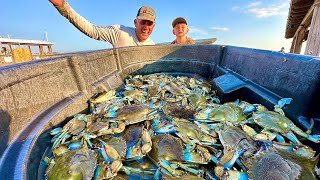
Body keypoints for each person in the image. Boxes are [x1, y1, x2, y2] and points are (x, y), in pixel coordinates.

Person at [49, 0, 156, 48]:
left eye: (149, 24)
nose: (146, 27)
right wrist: (63, 6)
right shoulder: (120, 32)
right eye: (143, 22)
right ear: (135, 22)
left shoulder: (152, 46)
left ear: (153, 26)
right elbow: (92, 30)